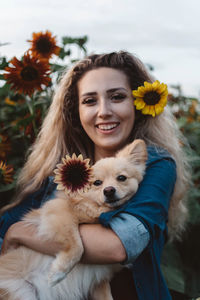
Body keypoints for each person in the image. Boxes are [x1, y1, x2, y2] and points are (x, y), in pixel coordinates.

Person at [0, 51, 190, 300]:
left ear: (136, 103)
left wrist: (21, 232)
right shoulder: (63, 170)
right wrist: (12, 230)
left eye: (117, 97)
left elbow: (116, 246)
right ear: (75, 112)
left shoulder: (153, 163)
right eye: (90, 101)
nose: (104, 111)